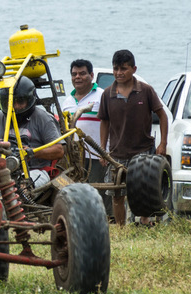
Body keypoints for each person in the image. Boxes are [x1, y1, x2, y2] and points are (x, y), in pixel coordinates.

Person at [98, 49, 168, 226]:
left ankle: (145, 222)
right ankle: (121, 229)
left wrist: (163, 143)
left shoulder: (146, 91)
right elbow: (104, 122)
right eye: (116, 69)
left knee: (143, 191)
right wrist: (102, 150)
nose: (119, 73)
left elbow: (163, 116)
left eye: (124, 69)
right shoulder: (107, 94)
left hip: (142, 152)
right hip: (116, 154)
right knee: (116, 194)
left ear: (134, 69)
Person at [0, 76, 64, 191]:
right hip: (3, 170)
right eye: (10, 101)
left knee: (19, 187)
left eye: (20, 101)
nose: (14, 106)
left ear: (30, 99)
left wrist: (32, 152)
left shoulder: (43, 118)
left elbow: (59, 150)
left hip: (36, 171)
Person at [66, 58, 105, 183]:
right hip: (75, 160)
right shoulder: (67, 102)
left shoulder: (102, 96)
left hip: (98, 157)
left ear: (92, 75)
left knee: (99, 194)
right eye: (74, 74)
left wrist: (106, 153)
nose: (77, 77)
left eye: (82, 73)